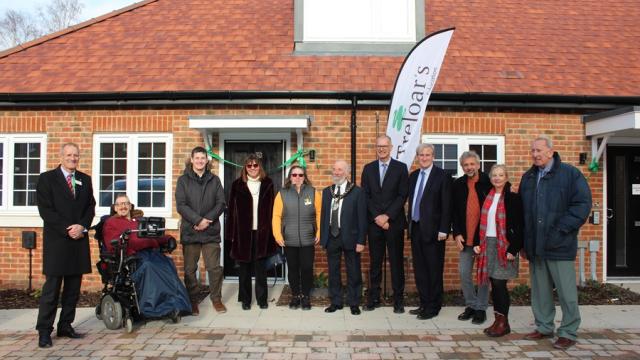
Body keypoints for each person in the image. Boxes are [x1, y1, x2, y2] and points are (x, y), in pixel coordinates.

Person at [519, 135, 591, 350]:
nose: (535, 154)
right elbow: (523, 213)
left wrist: (561, 230)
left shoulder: (570, 174)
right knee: (540, 292)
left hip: (559, 245)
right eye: (532, 151)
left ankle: (568, 331)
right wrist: (523, 242)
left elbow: (582, 205)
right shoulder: (528, 177)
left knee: (566, 293)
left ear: (551, 151)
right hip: (535, 246)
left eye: (539, 150)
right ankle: (543, 326)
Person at [35, 143, 96, 348]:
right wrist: (67, 228)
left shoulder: (85, 180)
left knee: (73, 289)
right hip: (57, 241)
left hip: (78, 241)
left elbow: (90, 206)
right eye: (69, 155)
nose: (73, 158)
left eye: (76, 155)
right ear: (61, 156)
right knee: (51, 290)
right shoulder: (47, 179)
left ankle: (65, 325)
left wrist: (82, 226)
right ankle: (44, 331)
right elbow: (46, 210)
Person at [102, 194, 191, 318]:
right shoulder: (111, 223)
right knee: (149, 267)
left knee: (167, 263)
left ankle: (177, 305)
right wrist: (136, 242)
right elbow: (112, 243)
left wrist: (168, 239)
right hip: (132, 256)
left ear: (130, 206)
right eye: (120, 204)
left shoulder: (139, 221)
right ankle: (155, 308)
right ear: (115, 208)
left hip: (150, 252)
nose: (123, 206)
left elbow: (154, 235)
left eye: (126, 203)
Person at [472, 165, 523, 337]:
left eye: (501, 175)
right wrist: (479, 243)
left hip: (505, 246)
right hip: (488, 245)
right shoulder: (488, 196)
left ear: (507, 177)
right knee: (494, 284)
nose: (497, 178)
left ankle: (504, 323)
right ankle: (497, 321)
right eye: (494, 175)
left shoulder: (513, 198)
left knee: (500, 284)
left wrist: (513, 248)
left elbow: (519, 225)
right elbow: (482, 223)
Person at [176, 146, 227, 315]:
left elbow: (221, 203)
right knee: (191, 269)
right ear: (192, 160)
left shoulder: (215, 180)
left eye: (202, 158)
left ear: (207, 160)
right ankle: (193, 301)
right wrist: (198, 220)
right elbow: (181, 205)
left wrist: (206, 221)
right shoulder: (183, 180)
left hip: (210, 231)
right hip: (191, 231)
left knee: (214, 268)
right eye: (196, 158)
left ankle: (216, 299)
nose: (199, 161)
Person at [360, 135, 409, 313]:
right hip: (374, 224)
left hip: (394, 223)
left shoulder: (401, 168)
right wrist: (377, 217)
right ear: (376, 148)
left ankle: (398, 300)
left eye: (384, 146)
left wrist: (387, 216)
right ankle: (374, 297)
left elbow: (402, 195)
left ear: (391, 147)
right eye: (378, 146)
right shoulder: (368, 169)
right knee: (375, 262)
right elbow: (365, 195)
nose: (381, 149)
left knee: (396, 262)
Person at [407, 143, 451, 320]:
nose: (424, 158)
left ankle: (434, 306)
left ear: (433, 156)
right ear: (417, 157)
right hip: (416, 228)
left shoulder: (442, 176)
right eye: (421, 155)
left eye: (427, 155)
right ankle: (424, 303)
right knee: (420, 269)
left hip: (434, 231)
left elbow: (447, 205)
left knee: (433, 269)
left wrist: (444, 229)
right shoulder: (413, 176)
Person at [227, 153, 277, 310]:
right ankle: (246, 300)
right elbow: (231, 212)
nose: (253, 168)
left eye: (256, 165)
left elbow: (273, 211)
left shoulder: (268, 184)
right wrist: (231, 235)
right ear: (245, 168)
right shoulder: (237, 185)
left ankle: (262, 299)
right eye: (249, 165)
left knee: (261, 268)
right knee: (244, 269)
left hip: (262, 233)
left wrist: (272, 233)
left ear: (259, 167)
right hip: (243, 234)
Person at [320, 160, 367, 315]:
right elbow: (324, 216)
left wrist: (361, 240)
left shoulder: (357, 192)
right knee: (333, 271)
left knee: (353, 270)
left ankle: (354, 302)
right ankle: (336, 301)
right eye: (334, 169)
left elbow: (362, 218)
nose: (336, 172)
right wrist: (323, 237)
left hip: (351, 237)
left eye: (340, 170)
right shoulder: (328, 191)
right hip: (332, 236)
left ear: (347, 172)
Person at [272, 165, 321, 310]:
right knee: (292, 269)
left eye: (300, 175)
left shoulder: (313, 193)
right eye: (294, 175)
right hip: (289, 239)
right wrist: (277, 234)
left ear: (305, 177)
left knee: (306, 268)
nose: (297, 178)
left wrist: (318, 233)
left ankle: (305, 296)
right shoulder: (282, 194)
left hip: (308, 239)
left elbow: (319, 214)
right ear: (290, 177)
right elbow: (276, 216)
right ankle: (295, 296)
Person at [451, 151, 492, 324]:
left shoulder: (488, 182)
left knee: (483, 275)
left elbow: (503, 192)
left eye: (472, 164)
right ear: (462, 167)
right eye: (465, 165)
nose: (469, 167)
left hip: (483, 238)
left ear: (478, 164)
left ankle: (481, 308)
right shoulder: (458, 184)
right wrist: (457, 233)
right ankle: (471, 305)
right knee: (464, 273)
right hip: (465, 237)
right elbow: (454, 212)